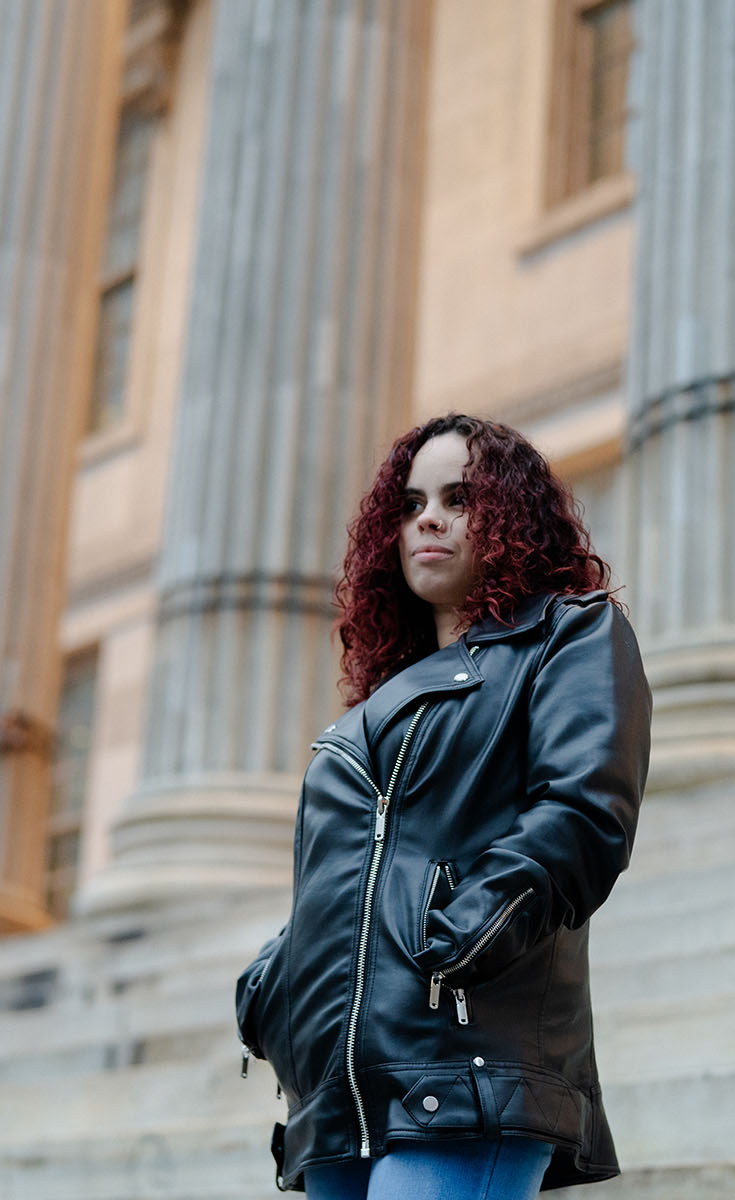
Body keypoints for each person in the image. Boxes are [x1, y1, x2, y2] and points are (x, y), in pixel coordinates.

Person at [235, 413, 652, 1196]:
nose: (427, 517)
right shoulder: (369, 711)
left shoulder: (571, 636)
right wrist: (274, 981)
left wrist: (464, 932)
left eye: (459, 497)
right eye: (410, 503)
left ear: (510, 517)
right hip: (333, 1099)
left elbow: (584, 813)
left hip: (465, 1067)